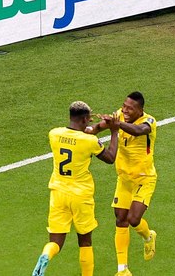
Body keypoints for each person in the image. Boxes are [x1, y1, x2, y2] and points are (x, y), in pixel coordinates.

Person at [31, 101, 119, 276]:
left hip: (58, 193)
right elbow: (110, 158)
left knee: (56, 241)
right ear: (85, 118)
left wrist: (100, 125)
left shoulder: (54, 134)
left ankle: (46, 254)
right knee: (85, 241)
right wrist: (114, 131)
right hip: (80, 195)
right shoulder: (90, 141)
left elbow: (79, 133)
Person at [85, 92, 158, 276]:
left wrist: (117, 125)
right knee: (120, 219)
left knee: (134, 219)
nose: (125, 110)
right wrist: (89, 130)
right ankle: (122, 270)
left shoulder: (149, 121)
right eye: (124, 106)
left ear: (140, 110)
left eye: (130, 108)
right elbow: (100, 127)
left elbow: (139, 131)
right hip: (124, 179)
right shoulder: (119, 116)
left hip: (144, 178)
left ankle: (149, 236)